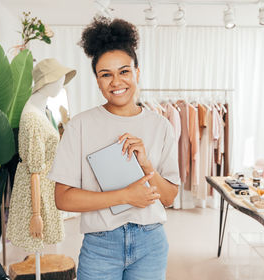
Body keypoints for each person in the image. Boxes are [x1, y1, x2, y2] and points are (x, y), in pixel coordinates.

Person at [48, 17, 180, 280]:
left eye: (124, 71)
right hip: (100, 246)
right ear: (97, 81)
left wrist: (147, 166)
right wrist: (124, 196)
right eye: (105, 74)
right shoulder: (80, 126)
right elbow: (63, 198)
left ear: (137, 73)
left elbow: (168, 198)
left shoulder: (161, 125)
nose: (116, 82)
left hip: (151, 243)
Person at [6, 58, 76, 252]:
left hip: (45, 185)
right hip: (36, 192)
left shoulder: (41, 110)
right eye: (58, 79)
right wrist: (36, 214)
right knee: (37, 244)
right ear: (46, 82)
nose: (62, 84)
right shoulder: (32, 117)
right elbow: (34, 170)